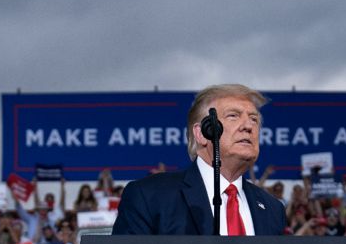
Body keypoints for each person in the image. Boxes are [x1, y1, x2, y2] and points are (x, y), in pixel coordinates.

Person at [112, 84, 286, 236]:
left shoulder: (272, 209)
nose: (248, 126)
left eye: (254, 119)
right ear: (202, 133)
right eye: (233, 116)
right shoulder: (149, 196)